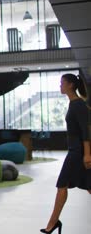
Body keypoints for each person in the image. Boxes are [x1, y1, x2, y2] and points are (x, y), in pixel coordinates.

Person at [40, 73, 91, 234]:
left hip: (78, 153)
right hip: (75, 151)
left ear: (70, 85)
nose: (60, 86)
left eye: (62, 83)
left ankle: (52, 223)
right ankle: (52, 223)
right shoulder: (73, 104)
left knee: (62, 184)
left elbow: (85, 132)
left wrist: (87, 154)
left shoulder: (78, 105)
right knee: (88, 185)